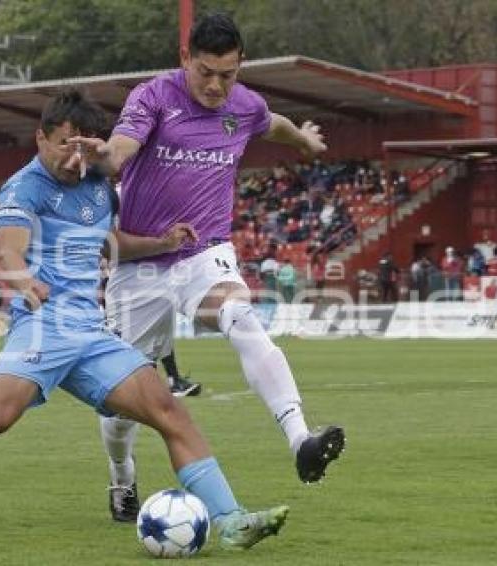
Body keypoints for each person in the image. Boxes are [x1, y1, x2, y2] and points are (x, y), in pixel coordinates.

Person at [0, 91, 289, 551]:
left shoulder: (96, 186)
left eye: (84, 145)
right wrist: (24, 279)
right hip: (43, 326)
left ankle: (230, 520)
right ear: (41, 138)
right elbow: (9, 245)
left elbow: (106, 242)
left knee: (170, 413)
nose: (74, 156)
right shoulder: (24, 187)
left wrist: (161, 242)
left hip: (89, 333)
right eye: (64, 143)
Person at [71, 13, 344, 521]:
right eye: (205, 72)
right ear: (184, 61)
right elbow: (122, 151)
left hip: (204, 252)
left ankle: (300, 439)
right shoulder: (153, 97)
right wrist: (103, 156)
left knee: (241, 318)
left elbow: (273, 125)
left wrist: (304, 140)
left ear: (240, 68)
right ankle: (122, 478)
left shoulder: (245, 105)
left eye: (228, 74)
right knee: (118, 404)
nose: (217, 85)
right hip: (142, 265)